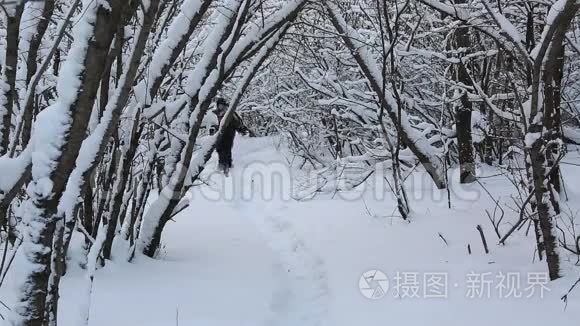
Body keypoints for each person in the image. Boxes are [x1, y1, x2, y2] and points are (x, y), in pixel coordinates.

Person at [212, 98, 249, 175]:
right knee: (219, 149)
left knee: (226, 149)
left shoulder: (230, 113)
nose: (221, 107)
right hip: (218, 134)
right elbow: (211, 124)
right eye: (220, 105)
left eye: (222, 105)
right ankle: (222, 165)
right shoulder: (214, 113)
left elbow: (238, 122)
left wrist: (242, 130)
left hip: (229, 134)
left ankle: (227, 165)